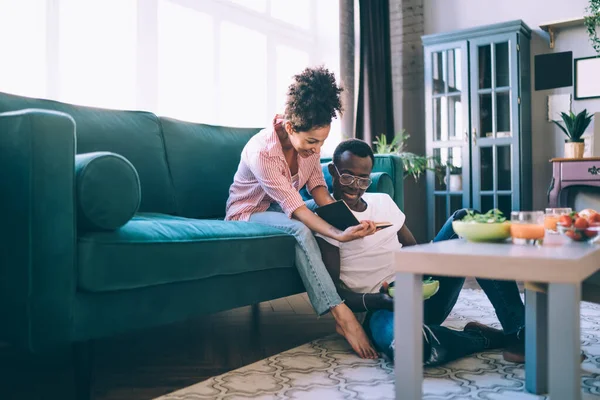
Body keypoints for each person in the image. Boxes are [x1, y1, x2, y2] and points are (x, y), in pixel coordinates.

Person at [316, 138, 527, 364]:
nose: (354, 186)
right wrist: (379, 300)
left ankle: (518, 331)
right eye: (347, 176)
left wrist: (427, 274)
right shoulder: (330, 221)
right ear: (333, 171)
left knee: (466, 219)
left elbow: (415, 252)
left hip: (424, 294)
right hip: (381, 310)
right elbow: (335, 292)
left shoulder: (383, 202)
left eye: (363, 179)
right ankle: (481, 339)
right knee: (410, 348)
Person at [225, 66, 379, 359]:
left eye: (322, 141)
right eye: (312, 142)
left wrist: (349, 223)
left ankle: (360, 286)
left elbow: (318, 189)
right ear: (290, 127)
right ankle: (341, 313)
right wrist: (337, 234)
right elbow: (295, 209)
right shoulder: (262, 151)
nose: (317, 149)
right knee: (301, 228)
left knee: (330, 217)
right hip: (248, 213)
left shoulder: (310, 141)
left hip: (281, 208)